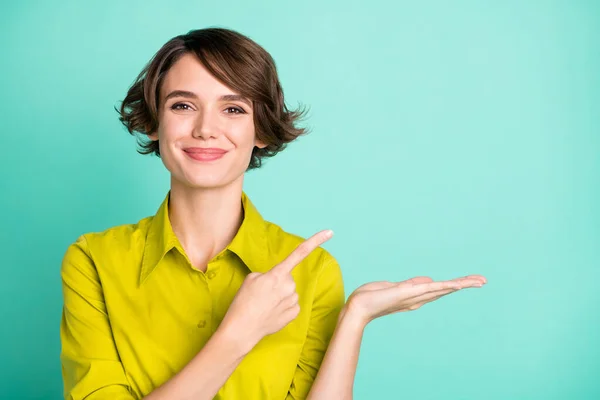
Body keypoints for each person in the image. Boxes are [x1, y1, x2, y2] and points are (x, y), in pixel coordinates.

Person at [59, 27, 486, 400]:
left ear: (261, 130)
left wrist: (354, 319)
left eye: (233, 109)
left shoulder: (313, 273)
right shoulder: (93, 261)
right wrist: (238, 334)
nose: (206, 128)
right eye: (182, 105)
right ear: (153, 123)